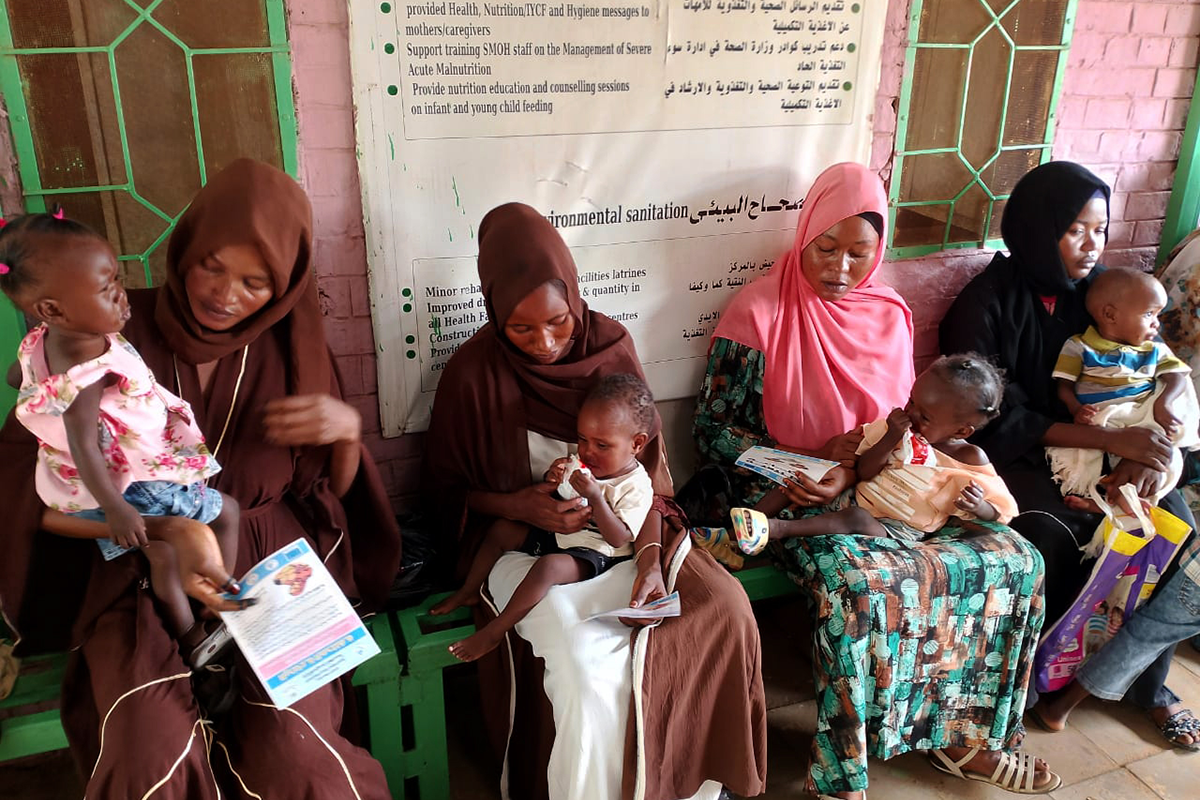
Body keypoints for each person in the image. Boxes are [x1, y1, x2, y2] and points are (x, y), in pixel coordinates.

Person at [0, 159, 402, 797]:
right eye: (212, 264)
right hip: (140, 569)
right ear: (185, 246)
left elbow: (328, 490)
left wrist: (346, 430)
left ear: (287, 284)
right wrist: (161, 528)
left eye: (256, 280)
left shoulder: (295, 350)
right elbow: (36, 489)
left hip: (269, 568)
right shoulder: (104, 336)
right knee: (149, 747)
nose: (225, 293)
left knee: (295, 754)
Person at [692, 162, 1056, 798]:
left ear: (879, 250)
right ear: (803, 236)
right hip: (793, 486)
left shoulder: (889, 313)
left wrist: (945, 477)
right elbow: (715, 429)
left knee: (1015, 559)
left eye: (859, 253)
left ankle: (965, 737)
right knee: (858, 581)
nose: (839, 268)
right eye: (825, 249)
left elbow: (918, 419)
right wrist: (804, 464)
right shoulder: (760, 311)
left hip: (896, 480)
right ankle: (838, 776)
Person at [424, 202, 766, 800]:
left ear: (576, 299)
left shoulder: (609, 349)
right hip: (528, 547)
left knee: (725, 610)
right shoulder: (472, 376)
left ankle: (693, 790)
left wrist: (651, 562)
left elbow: (653, 486)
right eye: (521, 328)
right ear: (493, 310)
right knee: (586, 666)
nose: (546, 343)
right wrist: (518, 506)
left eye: (558, 321)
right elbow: (448, 494)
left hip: (630, 536)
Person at [939, 159, 1200, 749]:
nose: (1091, 246)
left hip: (1118, 445)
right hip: (1023, 456)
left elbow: (1157, 357)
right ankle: (1028, 687)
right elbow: (991, 420)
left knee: (1173, 530)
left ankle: (1142, 685)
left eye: (1100, 229)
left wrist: (1158, 424)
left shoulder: (1105, 295)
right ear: (1037, 226)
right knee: (1056, 534)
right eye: (1076, 228)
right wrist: (1110, 442)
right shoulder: (983, 306)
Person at [0, 210, 239, 669]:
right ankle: (217, 602)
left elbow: (18, 378)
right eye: (106, 289)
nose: (121, 295)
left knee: (163, 557)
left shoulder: (41, 341)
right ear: (53, 309)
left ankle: (190, 635)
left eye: (117, 281)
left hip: (84, 486)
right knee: (227, 512)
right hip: (135, 481)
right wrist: (116, 508)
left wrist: (37, 387)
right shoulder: (86, 371)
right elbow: (84, 443)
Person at [433, 373, 655, 662]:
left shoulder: (636, 485)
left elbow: (619, 537)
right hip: (560, 534)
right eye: (582, 439)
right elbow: (560, 495)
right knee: (501, 531)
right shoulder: (584, 461)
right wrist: (555, 478)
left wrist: (598, 497)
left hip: (598, 552)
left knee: (549, 567)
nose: (587, 451)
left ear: (636, 444)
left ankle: (496, 630)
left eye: (602, 445)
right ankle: (469, 590)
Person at [728, 353, 1017, 552]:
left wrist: (979, 506)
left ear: (961, 432)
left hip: (894, 528)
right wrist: (890, 436)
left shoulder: (968, 460)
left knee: (856, 519)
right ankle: (739, 529)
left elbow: (1001, 510)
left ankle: (774, 529)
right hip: (857, 496)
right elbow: (864, 471)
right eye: (911, 400)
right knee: (801, 474)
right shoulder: (896, 429)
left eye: (925, 416)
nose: (911, 413)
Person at [1046, 267, 1199, 506]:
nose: (1156, 325)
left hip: (1145, 413)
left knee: (1169, 461)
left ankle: (1137, 501)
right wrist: (1076, 409)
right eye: (1149, 314)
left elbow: (1177, 375)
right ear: (1110, 315)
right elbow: (1064, 386)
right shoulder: (1079, 347)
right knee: (1084, 458)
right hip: (1104, 418)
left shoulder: (1154, 349)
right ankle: (1101, 498)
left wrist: (1164, 403)